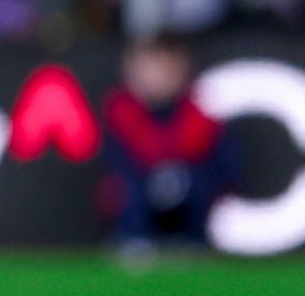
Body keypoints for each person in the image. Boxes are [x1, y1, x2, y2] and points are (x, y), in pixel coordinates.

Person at [99, 31, 237, 256]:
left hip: (190, 187)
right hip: (138, 187)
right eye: (146, 68)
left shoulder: (200, 107)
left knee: (197, 183)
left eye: (163, 68)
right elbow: (119, 160)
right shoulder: (121, 108)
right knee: (128, 187)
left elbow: (218, 159)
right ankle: (134, 243)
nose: (154, 76)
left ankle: (193, 243)